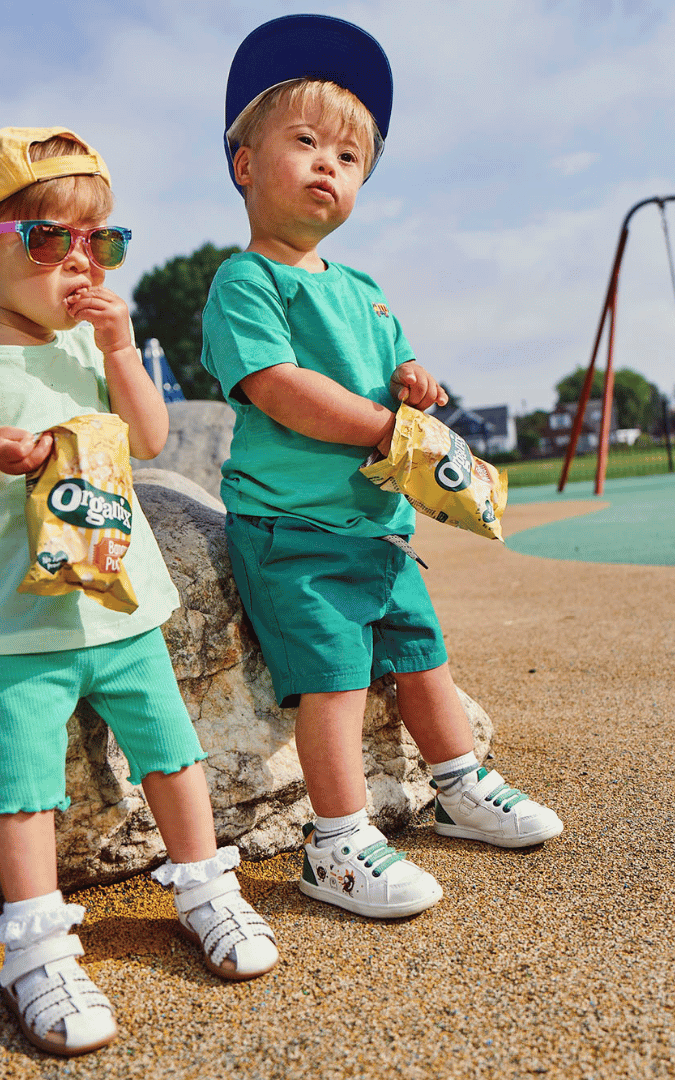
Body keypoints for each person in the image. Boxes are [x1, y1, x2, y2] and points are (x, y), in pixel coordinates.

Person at [0, 127, 276, 1058]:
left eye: (101, 242)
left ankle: (207, 887)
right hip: (14, 624)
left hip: (122, 605)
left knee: (172, 752)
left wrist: (122, 347)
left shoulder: (88, 348)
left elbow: (147, 435)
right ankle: (36, 945)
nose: (80, 261)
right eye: (50, 240)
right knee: (19, 785)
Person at [201, 16, 564, 921]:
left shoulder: (365, 291)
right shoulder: (247, 282)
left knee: (420, 656)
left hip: (376, 525)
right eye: (306, 142)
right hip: (296, 528)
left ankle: (459, 785)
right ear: (245, 163)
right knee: (333, 678)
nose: (330, 164)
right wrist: (383, 428)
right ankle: (336, 843)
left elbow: (401, 385)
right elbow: (280, 387)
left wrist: (415, 385)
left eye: (351, 157)